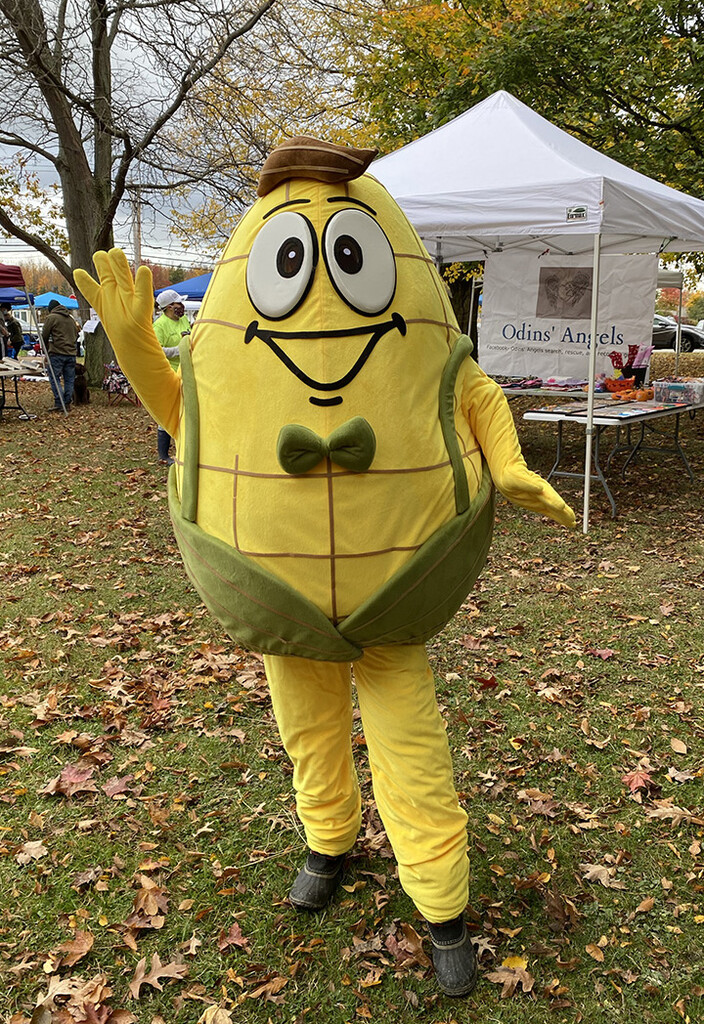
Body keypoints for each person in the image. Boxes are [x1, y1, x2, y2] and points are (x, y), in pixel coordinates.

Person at [75, 137, 575, 1000]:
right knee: (307, 729)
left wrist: (508, 463)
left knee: (412, 746)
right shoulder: (233, 325)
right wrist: (133, 346)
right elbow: (189, 410)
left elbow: (470, 387)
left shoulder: (406, 287)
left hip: (397, 587)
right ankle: (329, 839)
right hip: (279, 590)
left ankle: (442, 901)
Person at [152, 289, 189, 465]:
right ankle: (163, 455)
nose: (181, 307)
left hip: (187, 373)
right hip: (170, 374)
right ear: (167, 307)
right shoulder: (159, 326)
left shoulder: (183, 320)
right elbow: (156, 350)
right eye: (177, 304)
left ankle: (184, 449)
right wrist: (179, 350)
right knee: (169, 412)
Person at [41, 298, 80, 411]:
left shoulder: (51, 318)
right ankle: (67, 403)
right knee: (69, 379)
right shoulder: (71, 319)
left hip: (56, 353)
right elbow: (77, 335)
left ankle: (59, 402)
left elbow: (44, 336)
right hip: (71, 354)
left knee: (54, 378)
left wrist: (46, 350)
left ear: (51, 309)